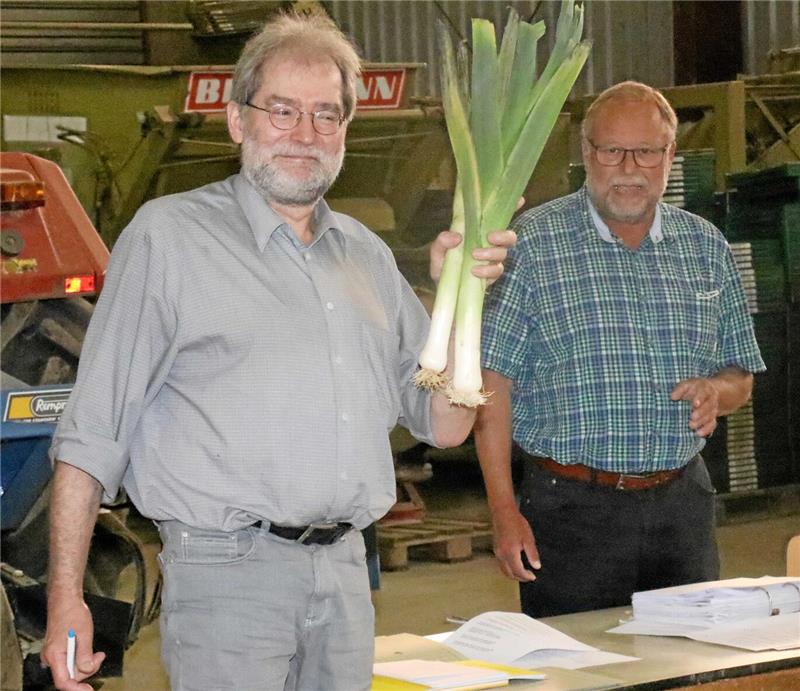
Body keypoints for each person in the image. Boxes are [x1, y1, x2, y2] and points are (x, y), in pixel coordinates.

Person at [41, 12, 515, 691]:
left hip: (347, 576)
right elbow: (92, 432)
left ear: (347, 131)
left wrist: (462, 303)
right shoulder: (170, 239)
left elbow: (444, 425)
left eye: (326, 116)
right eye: (283, 111)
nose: (305, 135)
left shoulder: (367, 257)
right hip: (228, 580)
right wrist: (66, 597)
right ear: (238, 120)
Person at [473, 81, 765, 619]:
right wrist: (503, 510)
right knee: (578, 669)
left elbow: (740, 373)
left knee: (690, 667)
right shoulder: (532, 245)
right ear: (587, 155)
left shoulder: (705, 247)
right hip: (569, 511)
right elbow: (493, 386)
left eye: (648, 152)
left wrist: (715, 393)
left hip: (682, 508)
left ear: (670, 156)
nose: (629, 167)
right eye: (611, 151)